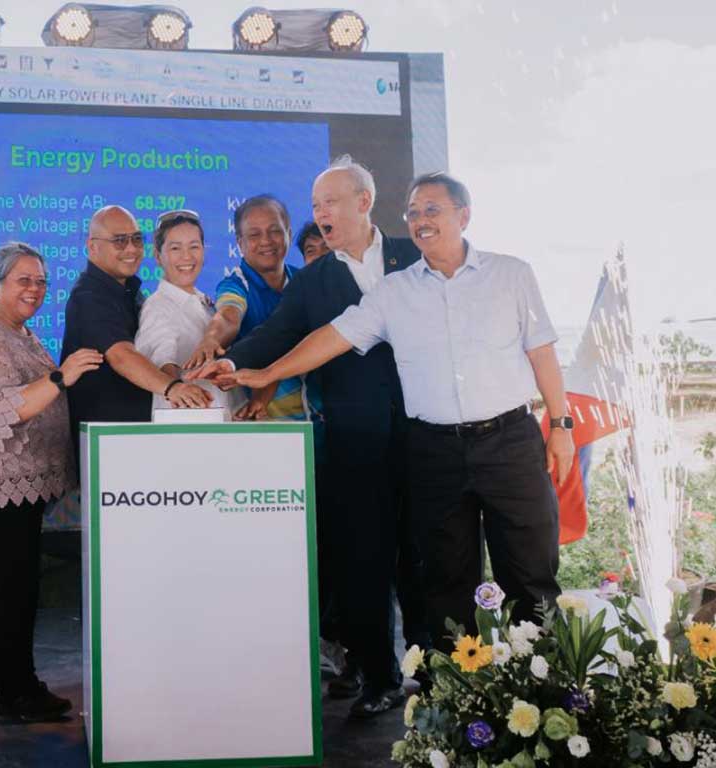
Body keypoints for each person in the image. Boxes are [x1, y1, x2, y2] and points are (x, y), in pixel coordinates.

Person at [221, 172, 570, 653]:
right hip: (436, 452)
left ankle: (549, 696)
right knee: (448, 582)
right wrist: (265, 373)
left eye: (433, 210)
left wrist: (561, 424)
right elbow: (332, 337)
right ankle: (458, 703)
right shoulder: (395, 290)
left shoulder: (511, 274)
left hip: (510, 443)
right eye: (413, 212)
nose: (421, 221)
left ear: (463, 216)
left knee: (530, 576)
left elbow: (542, 353)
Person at [190, 156, 423, 718]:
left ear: (364, 203)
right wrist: (231, 363)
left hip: (427, 440)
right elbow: (274, 333)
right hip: (352, 442)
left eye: (330, 204)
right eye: (315, 206)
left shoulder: (413, 257)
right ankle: (379, 679)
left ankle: (439, 673)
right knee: (363, 565)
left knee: (429, 561)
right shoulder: (315, 279)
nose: (320, 215)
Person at [0, 243, 102, 722]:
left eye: (40, 281)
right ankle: (19, 690)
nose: (34, 290)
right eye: (23, 280)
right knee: (16, 585)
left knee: (4, 581)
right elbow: (3, 411)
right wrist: (62, 377)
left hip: (14, 483)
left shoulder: (15, 330)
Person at [60, 205, 211, 444]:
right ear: (92, 247)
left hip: (136, 439)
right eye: (119, 241)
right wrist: (174, 388)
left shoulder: (131, 291)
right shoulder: (89, 297)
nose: (131, 248)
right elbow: (122, 355)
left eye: (137, 239)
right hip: (106, 443)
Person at [184, 196, 306, 422]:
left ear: (288, 234)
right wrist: (212, 339)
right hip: (261, 420)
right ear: (239, 243)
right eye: (254, 235)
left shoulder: (305, 281)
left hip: (317, 419)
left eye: (274, 231)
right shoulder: (236, 285)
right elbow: (229, 315)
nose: (266, 241)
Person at [133, 210, 237, 412]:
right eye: (175, 248)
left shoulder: (205, 302)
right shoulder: (158, 306)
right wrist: (176, 385)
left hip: (222, 425)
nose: (186, 256)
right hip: (187, 427)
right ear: (157, 256)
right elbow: (161, 358)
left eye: (194, 246)